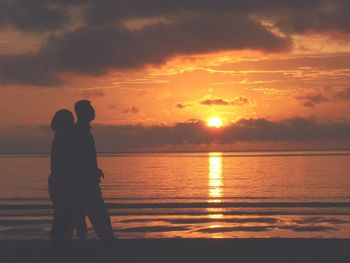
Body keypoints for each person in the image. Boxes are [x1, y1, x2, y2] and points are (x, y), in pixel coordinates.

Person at [74, 100, 116, 249]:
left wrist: (95, 169)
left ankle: (104, 242)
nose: (94, 111)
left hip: (87, 182)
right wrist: (91, 171)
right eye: (91, 109)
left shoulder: (83, 131)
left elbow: (85, 157)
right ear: (83, 112)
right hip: (86, 184)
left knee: (89, 215)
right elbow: (79, 158)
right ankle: (108, 243)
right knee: (97, 214)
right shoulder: (80, 132)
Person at [49, 109, 87, 249]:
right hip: (64, 183)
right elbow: (68, 163)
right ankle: (61, 244)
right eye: (69, 121)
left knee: (64, 214)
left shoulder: (60, 138)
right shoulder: (63, 139)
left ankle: (62, 243)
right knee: (66, 214)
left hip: (59, 182)